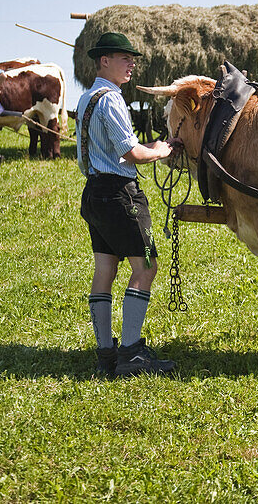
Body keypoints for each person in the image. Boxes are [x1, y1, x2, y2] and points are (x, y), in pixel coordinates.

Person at [77, 32, 178, 377]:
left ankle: (106, 353)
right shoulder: (112, 100)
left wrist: (151, 144)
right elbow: (131, 153)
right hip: (121, 196)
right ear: (104, 60)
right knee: (145, 267)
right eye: (125, 58)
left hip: (94, 193)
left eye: (132, 59)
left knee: (105, 270)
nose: (132, 64)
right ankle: (132, 354)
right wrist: (161, 152)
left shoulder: (87, 98)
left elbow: (113, 149)